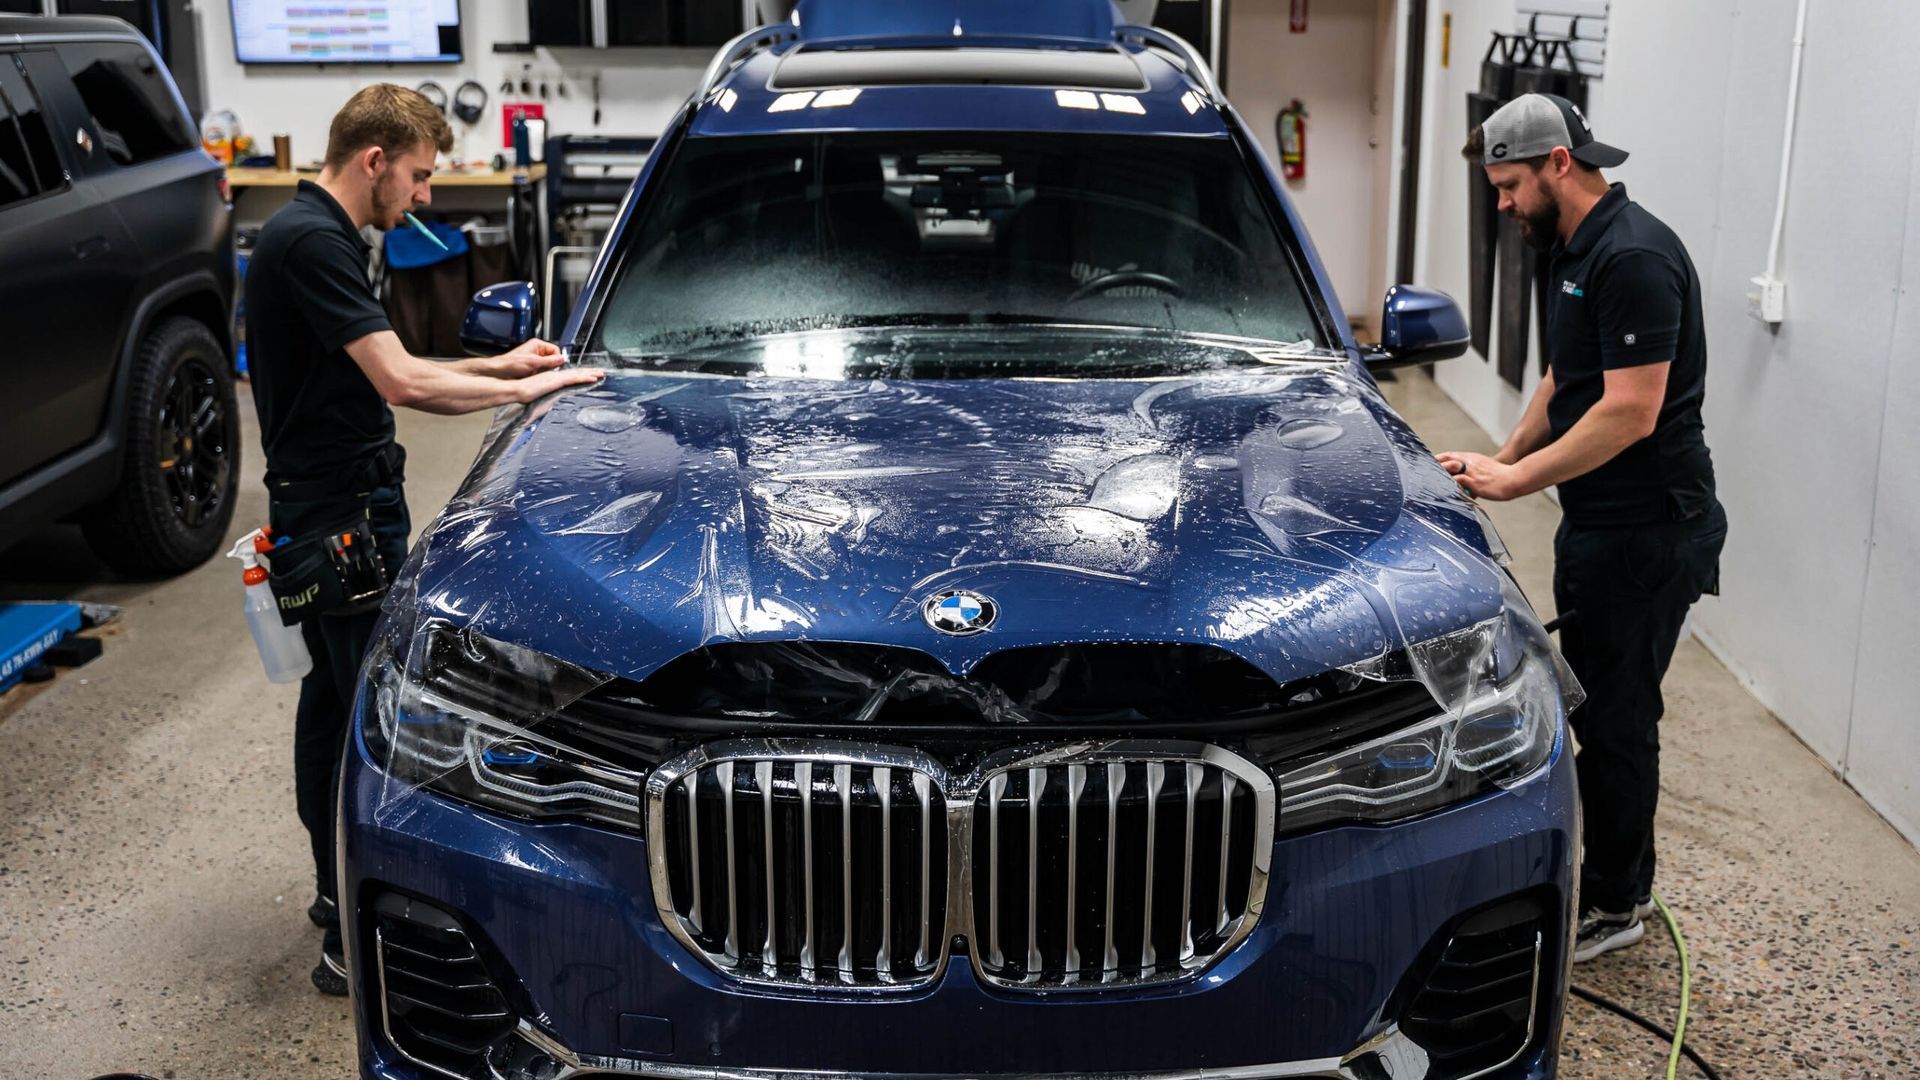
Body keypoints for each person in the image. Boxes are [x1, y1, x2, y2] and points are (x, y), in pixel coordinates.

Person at [245, 84, 603, 994]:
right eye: (418, 175)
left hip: (324, 509)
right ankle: (345, 937)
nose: (426, 197)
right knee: (370, 715)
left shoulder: (312, 234)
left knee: (330, 701)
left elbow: (378, 369)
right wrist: (526, 395)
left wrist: (499, 363)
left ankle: (332, 897)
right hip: (337, 525)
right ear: (374, 160)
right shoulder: (312, 242)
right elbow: (404, 386)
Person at [1438, 93, 1726, 963]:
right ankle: (1602, 879)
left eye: (1510, 186)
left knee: (1620, 719)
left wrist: (1520, 480)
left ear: (1560, 164)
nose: (1502, 205)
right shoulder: (1574, 248)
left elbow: (1630, 412)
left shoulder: (1634, 256)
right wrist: (1495, 460)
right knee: (1592, 705)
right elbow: (1567, 379)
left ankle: (1617, 902)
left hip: (1650, 532)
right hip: (1600, 523)